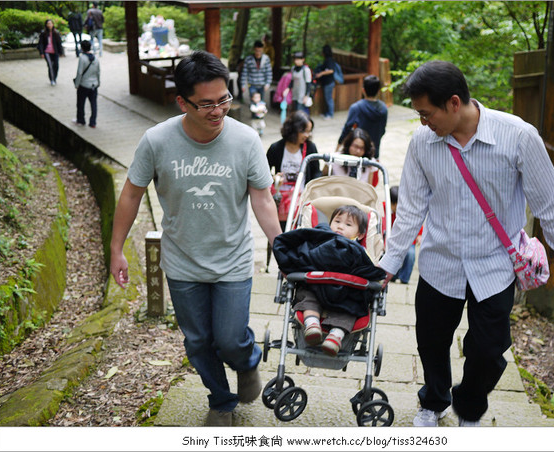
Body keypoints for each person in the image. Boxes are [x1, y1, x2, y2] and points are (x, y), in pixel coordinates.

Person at [378, 60, 554, 427]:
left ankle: (469, 406)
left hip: (495, 265)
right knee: (432, 342)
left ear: (454, 103)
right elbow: (409, 211)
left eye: (427, 114)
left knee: (488, 350)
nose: (424, 123)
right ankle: (434, 400)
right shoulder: (423, 143)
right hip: (440, 263)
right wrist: (387, 265)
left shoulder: (517, 136)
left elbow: (551, 204)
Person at [109, 51, 282, 427]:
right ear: (182, 102)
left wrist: (280, 247)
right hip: (182, 261)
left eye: (224, 99)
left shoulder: (247, 139)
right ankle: (221, 400)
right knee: (199, 342)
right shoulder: (157, 141)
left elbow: (262, 198)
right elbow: (131, 194)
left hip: (233, 259)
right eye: (206, 104)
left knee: (231, 339)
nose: (218, 110)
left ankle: (247, 361)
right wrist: (116, 248)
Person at [273, 205, 385, 356]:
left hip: (347, 293)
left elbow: (369, 269)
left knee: (353, 308)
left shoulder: (360, 250)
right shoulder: (320, 238)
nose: (340, 226)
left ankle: (336, 336)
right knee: (307, 295)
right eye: (337, 221)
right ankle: (311, 325)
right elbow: (305, 254)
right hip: (317, 287)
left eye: (348, 224)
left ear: (359, 235)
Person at [266, 110, 321, 229]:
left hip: (302, 200)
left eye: (309, 131)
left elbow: (317, 171)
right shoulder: (276, 148)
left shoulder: (310, 147)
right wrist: (273, 178)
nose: (307, 135)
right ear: (293, 129)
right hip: (280, 201)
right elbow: (263, 173)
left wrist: (313, 188)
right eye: (304, 131)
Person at [337, 75, 388, 159]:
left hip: (357, 153)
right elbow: (382, 130)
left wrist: (338, 147)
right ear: (378, 91)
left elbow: (347, 129)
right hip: (374, 153)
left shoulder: (356, 107)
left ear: (363, 90)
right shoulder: (383, 108)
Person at [389, 185, 422, 284]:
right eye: (396, 205)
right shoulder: (384, 209)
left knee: (411, 255)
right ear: (391, 204)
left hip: (407, 239)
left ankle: (405, 277)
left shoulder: (408, 210)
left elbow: (417, 222)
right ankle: (393, 275)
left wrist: (419, 235)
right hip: (392, 240)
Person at [72, 40, 100, 128]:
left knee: (80, 103)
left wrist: (77, 84)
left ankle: (81, 120)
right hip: (93, 85)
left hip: (84, 85)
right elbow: (98, 72)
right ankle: (93, 122)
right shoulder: (95, 58)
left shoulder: (82, 58)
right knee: (93, 104)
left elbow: (79, 72)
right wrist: (98, 82)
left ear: (82, 48)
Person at [240, 40, 272, 105]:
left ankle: (260, 115)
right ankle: (254, 115)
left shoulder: (266, 59)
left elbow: (269, 72)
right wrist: (243, 84)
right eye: (256, 50)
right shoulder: (248, 59)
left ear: (262, 49)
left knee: (261, 102)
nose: (258, 53)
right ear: (254, 49)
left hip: (262, 85)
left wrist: (268, 83)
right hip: (252, 85)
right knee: (253, 101)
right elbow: (244, 72)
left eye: (260, 51)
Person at [37, 19, 64, 86]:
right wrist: (41, 53)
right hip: (47, 52)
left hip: (55, 52)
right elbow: (40, 44)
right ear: (46, 25)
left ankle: (54, 77)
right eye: (48, 23)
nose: (49, 25)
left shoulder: (56, 33)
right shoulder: (43, 33)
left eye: (51, 23)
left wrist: (61, 52)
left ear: (53, 24)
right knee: (50, 66)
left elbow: (59, 43)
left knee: (56, 66)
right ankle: (52, 79)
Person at [314, 44, 337, 120]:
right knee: (327, 98)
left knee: (329, 99)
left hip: (329, 83)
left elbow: (331, 70)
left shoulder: (330, 60)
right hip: (327, 82)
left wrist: (321, 73)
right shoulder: (327, 60)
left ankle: (330, 114)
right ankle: (327, 113)